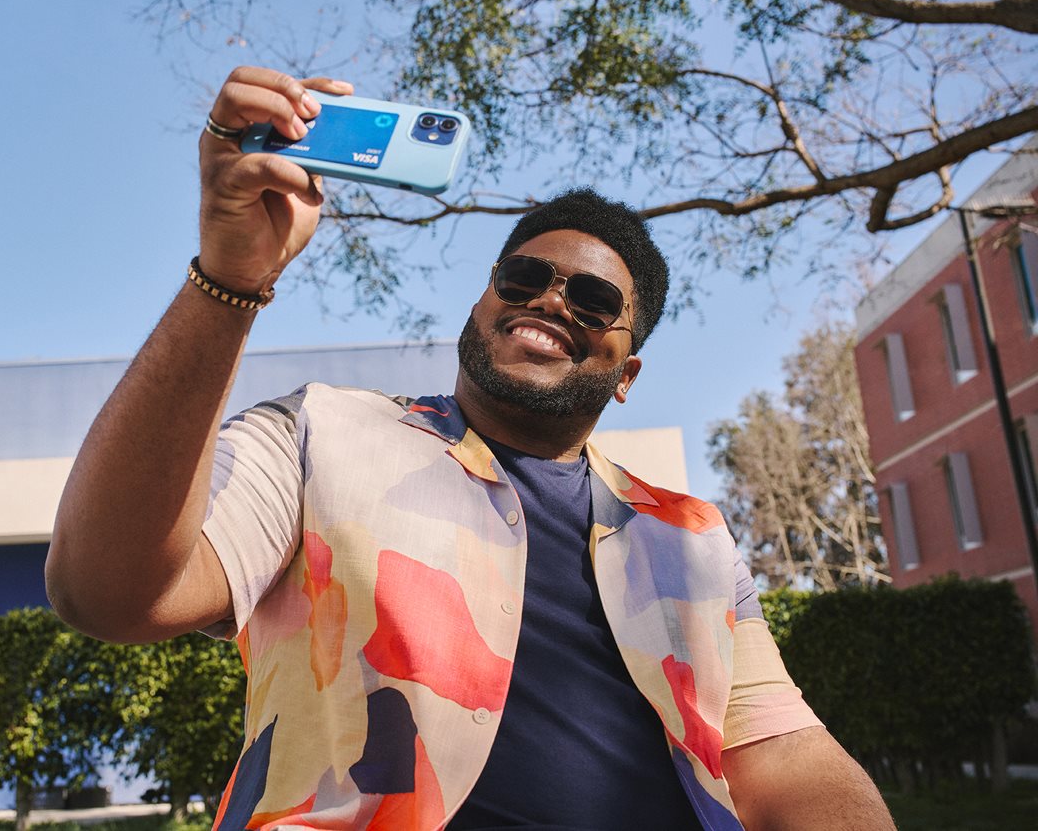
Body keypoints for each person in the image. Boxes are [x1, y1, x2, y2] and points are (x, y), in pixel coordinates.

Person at [46, 66, 895, 830]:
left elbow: (783, 756)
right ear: (482, 304)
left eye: (594, 300)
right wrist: (230, 278)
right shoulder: (320, 432)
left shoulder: (693, 537)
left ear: (626, 371)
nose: (553, 300)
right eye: (522, 279)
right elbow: (109, 593)